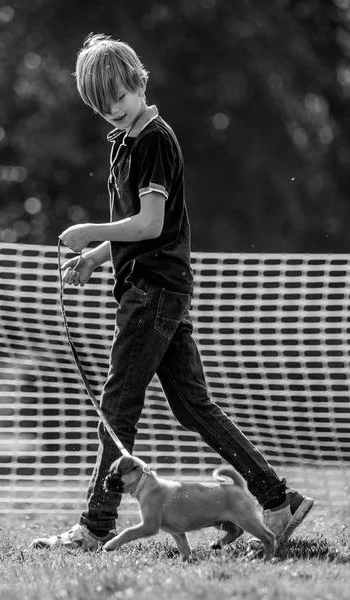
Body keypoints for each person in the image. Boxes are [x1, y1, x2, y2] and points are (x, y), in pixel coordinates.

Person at [31, 34, 313, 551]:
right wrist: (96, 259)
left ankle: (94, 527)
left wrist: (91, 232)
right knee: (193, 406)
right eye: (101, 104)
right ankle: (279, 499)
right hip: (160, 287)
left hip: (154, 293)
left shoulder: (154, 138)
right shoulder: (126, 143)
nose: (112, 109)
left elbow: (150, 222)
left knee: (117, 405)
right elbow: (140, 231)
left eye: (118, 95)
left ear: (138, 80)